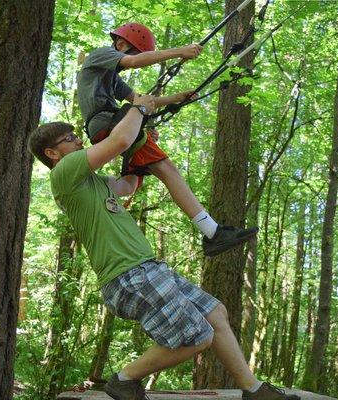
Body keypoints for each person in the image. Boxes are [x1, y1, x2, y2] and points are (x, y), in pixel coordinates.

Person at [28, 98, 300, 400]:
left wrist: (137, 152)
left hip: (146, 269)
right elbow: (119, 139)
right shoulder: (64, 172)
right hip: (127, 275)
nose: (78, 140)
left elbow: (128, 185)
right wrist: (139, 109)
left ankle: (254, 390)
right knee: (197, 336)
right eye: (69, 138)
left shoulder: (92, 181)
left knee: (215, 313)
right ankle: (124, 379)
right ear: (52, 153)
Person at [77, 22, 257, 257]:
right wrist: (179, 51)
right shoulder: (100, 55)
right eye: (135, 52)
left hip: (112, 125)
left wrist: (177, 98)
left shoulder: (111, 76)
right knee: (166, 168)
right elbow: (132, 62)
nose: (136, 61)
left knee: (132, 180)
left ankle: (95, 188)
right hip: (110, 123)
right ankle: (213, 233)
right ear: (120, 44)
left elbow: (138, 98)